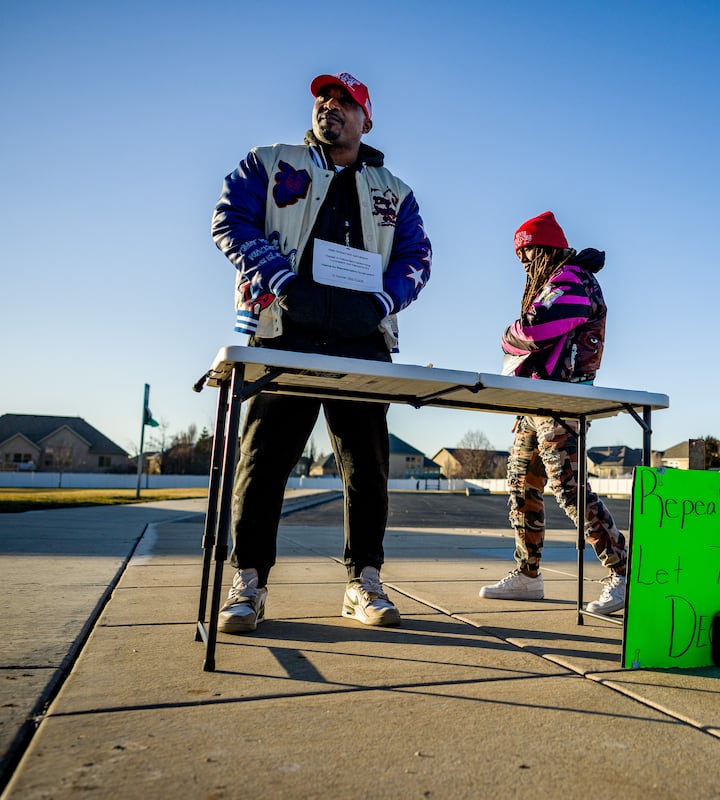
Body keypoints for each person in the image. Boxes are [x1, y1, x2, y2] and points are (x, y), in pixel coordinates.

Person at [211, 72, 432, 633]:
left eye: (343, 101)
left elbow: (418, 255)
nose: (328, 107)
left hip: (362, 338)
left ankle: (364, 582)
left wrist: (383, 300)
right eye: (322, 99)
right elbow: (230, 220)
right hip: (283, 328)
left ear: (366, 119)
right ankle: (249, 582)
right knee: (264, 459)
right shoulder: (269, 161)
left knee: (367, 464)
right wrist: (281, 279)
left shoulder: (394, 191)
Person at [479, 211, 627, 615]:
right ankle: (528, 576)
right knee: (522, 482)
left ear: (548, 248)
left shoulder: (572, 281)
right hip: (536, 396)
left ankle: (623, 572)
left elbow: (533, 329)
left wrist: (508, 336)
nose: (525, 263)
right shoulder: (554, 282)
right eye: (519, 256)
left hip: (561, 398)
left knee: (567, 484)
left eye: (529, 252)